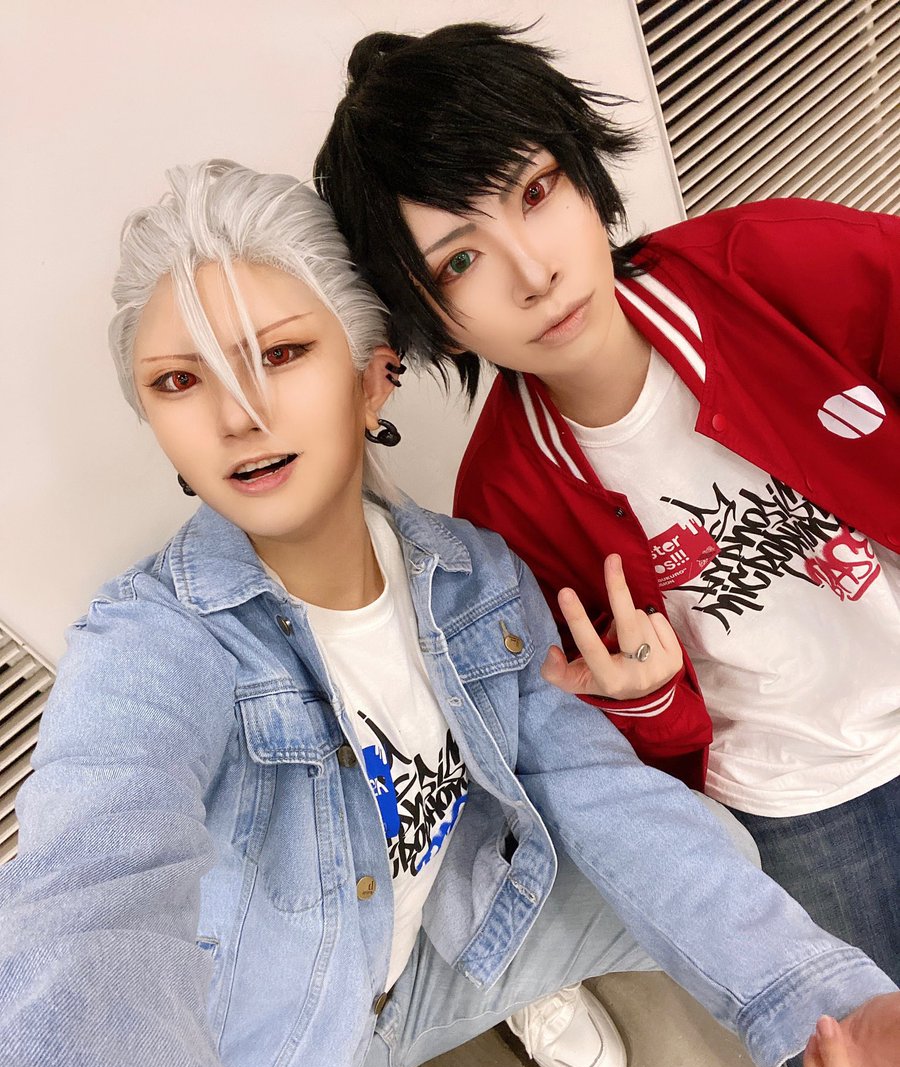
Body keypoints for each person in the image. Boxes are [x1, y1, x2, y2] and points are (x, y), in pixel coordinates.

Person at [2, 159, 898, 1067]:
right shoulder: (149, 645)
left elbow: (605, 796)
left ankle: (520, 991)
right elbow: (90, 893)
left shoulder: (474, 577)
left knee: (704, 841)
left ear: (372, 377)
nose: (237, 415)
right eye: (177, 381)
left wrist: (821, 1002)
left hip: (454, 943)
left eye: (281, 354)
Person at [314, 23, 900, 995]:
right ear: (435, 323)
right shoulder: (503, 504)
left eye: (535, 192)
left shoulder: (774, 264)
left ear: (585, 177)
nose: (532, 272)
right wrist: (647, 701)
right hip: (800, 798)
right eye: (461, 261)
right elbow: (621, 761)